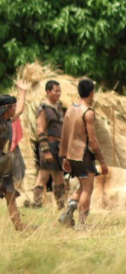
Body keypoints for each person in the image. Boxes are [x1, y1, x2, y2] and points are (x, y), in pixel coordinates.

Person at [59, 78, 109, 229]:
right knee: (88, 189)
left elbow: (65, 135)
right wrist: (102, 160)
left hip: (71, 155)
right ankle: (81, 224)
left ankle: (67, 213)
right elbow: (92, 140)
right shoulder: (88, 113)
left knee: (81, 187)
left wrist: (65, 157)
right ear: (92, 93)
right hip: (84, 155)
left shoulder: (69, 110)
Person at [0, 81, 33, 231]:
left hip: (3, 164)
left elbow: (19, 110)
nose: (15, 108)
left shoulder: (7, 120)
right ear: (6, 108)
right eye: (12, 106)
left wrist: (23, 92)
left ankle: (19, 227)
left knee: (11, 195)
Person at [29, 80, 66, 209]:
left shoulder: (59, 107)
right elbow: (40, 130)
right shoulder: (43, 108)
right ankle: (37, 202)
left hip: (58, 146)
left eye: (59, 91)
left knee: (59, 176)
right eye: (56, 91)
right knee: (44, 175)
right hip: (49, 145)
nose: (58, 93)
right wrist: (46, 150)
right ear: (48, 91)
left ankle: (61, 204)